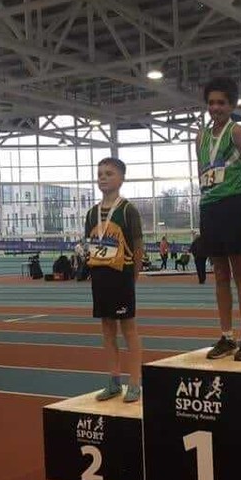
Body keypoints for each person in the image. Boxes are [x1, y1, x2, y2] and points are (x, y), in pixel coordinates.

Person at [196, 77, 241, 361]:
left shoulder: (238, 132)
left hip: (235, 207)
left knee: (240, 274)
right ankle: (226, 336)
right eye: (211, 103)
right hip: (209, 207)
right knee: (220, 276)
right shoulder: (200, 137)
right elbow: (202, 172)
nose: (215, 107)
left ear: (232, 105)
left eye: (221, 102)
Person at [85, 157, 144, 403]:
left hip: (122, 275)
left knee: (128, 329)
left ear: (121, 178)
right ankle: (113, 380)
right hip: (100, 276)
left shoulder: (128, 209)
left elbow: (138, 245)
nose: (103, 177)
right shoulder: (91, 213)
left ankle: (135, 382)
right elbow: (89, 244)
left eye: (109, 173)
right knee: (107, 330)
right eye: (100, 173)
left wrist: (134, 276)